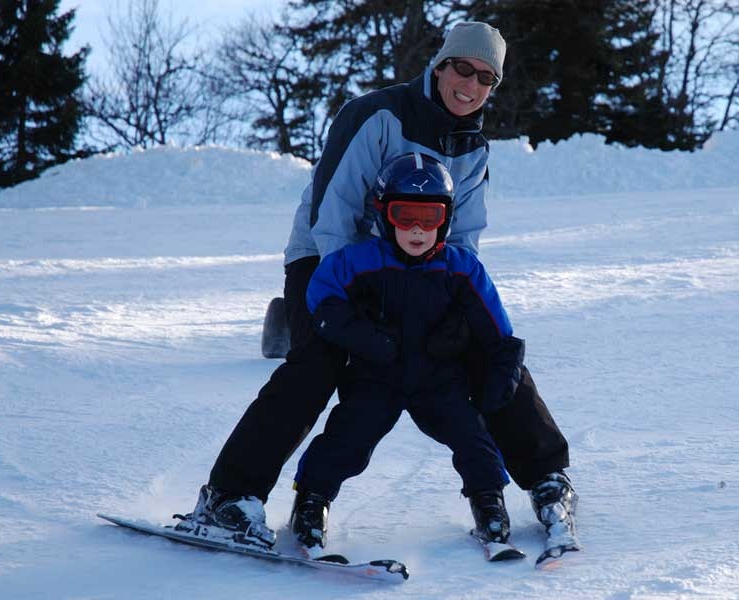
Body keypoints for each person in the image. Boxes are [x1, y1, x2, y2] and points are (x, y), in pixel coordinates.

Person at [177, 21, 578, 558]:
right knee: (319, 361)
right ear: (441, 65)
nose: (472, 84)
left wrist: (454, 305)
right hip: (328, 259)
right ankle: (230, 497)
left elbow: (463, 239)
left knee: (486, 349)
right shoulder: (377, 115)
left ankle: (548, 479)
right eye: (464, 68)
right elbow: (333, 211)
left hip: (416, 265)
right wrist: (356, 305)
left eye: (487, 77)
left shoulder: (474, 148)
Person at [289, 152, 520, 555]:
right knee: (347, 439)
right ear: (384, 215)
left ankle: (489, 505)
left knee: (474, 438)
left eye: (429, 218)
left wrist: (502, 376)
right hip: (376, 378)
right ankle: (311, 504)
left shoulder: (461, 269)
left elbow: (497, 330)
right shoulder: (358, 261)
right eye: (404, 215)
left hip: (439, 380)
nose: (417, 229)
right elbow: (321, 299)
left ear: (445, 220)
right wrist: (367, 340)